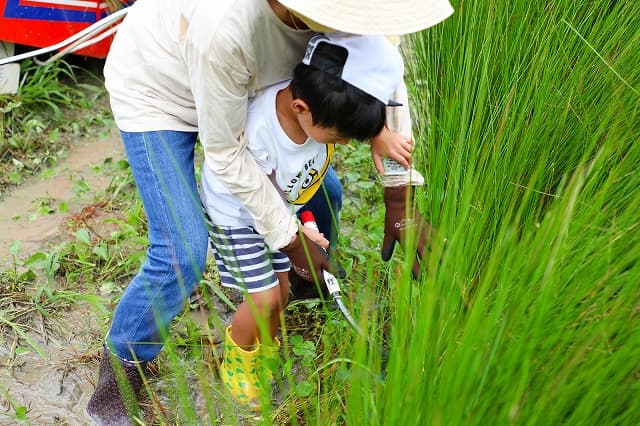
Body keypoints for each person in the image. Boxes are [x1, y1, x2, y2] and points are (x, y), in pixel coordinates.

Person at [86, 0, 454, 424]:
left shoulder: (351, 12)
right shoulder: (225, 28)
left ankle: (308, 285)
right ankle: (119, 374)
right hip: (161, 90)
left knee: (323, 191)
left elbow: (386, 78)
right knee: (181, 250)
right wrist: (291, 239)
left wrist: (398, 196)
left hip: (252, 86)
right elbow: (226, 153)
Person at [200, 32, 405, 410]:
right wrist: (297, 236)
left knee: (280, 292)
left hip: (277, 214)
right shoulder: (262, 130)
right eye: (340, 137)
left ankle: (265, 351)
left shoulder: (319, 114)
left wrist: (303, 224)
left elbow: (296, 189)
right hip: (237, 214)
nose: (342, 145)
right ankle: (237, 359)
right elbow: (263, 196)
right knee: (262, 298)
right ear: (300, 107)